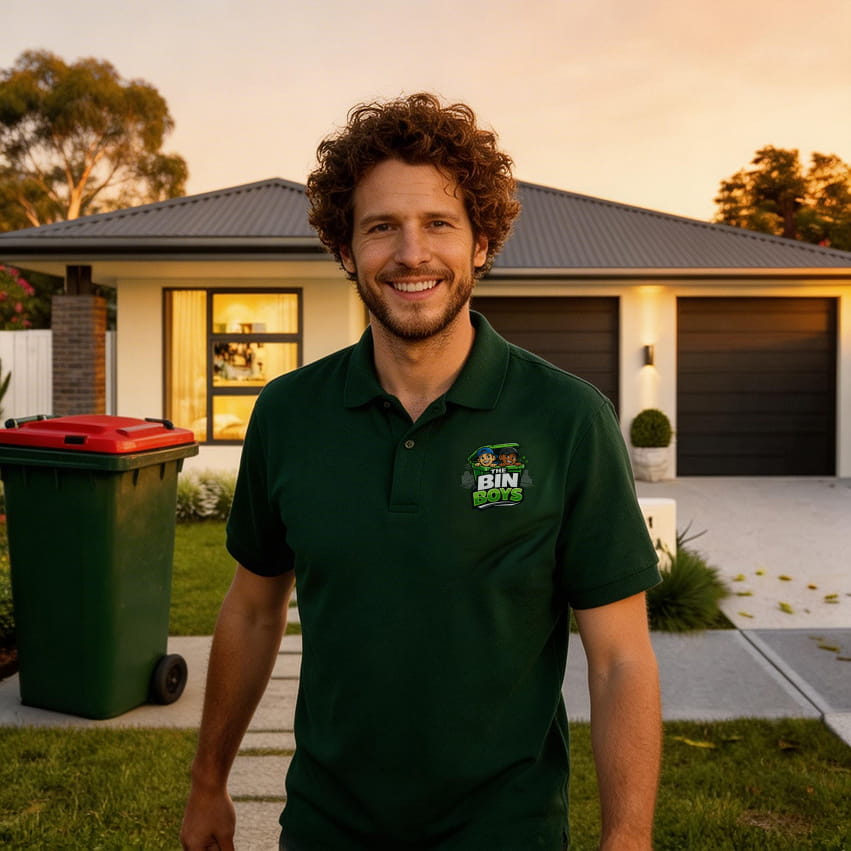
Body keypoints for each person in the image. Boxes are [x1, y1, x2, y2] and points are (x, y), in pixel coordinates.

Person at [181, 93, 662, 851]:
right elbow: (250, 609)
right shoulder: (288, 414)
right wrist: (210, 780)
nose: (411, 253)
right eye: (381, 227)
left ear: (481, 243)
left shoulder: (566, 419)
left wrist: (627, 837)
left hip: (505, 831)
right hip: (324, 827)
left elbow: (620, 656)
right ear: (345, 250)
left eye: (438, 223)